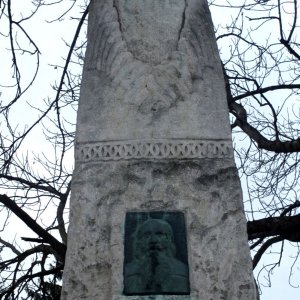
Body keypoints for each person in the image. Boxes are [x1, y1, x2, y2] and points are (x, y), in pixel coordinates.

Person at [124, 218, 189, 295]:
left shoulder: (183, 271)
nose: (153, 240)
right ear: (139, 241)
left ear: (169, 239)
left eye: (159, 234)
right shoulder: (127, 272)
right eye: (147, 235)